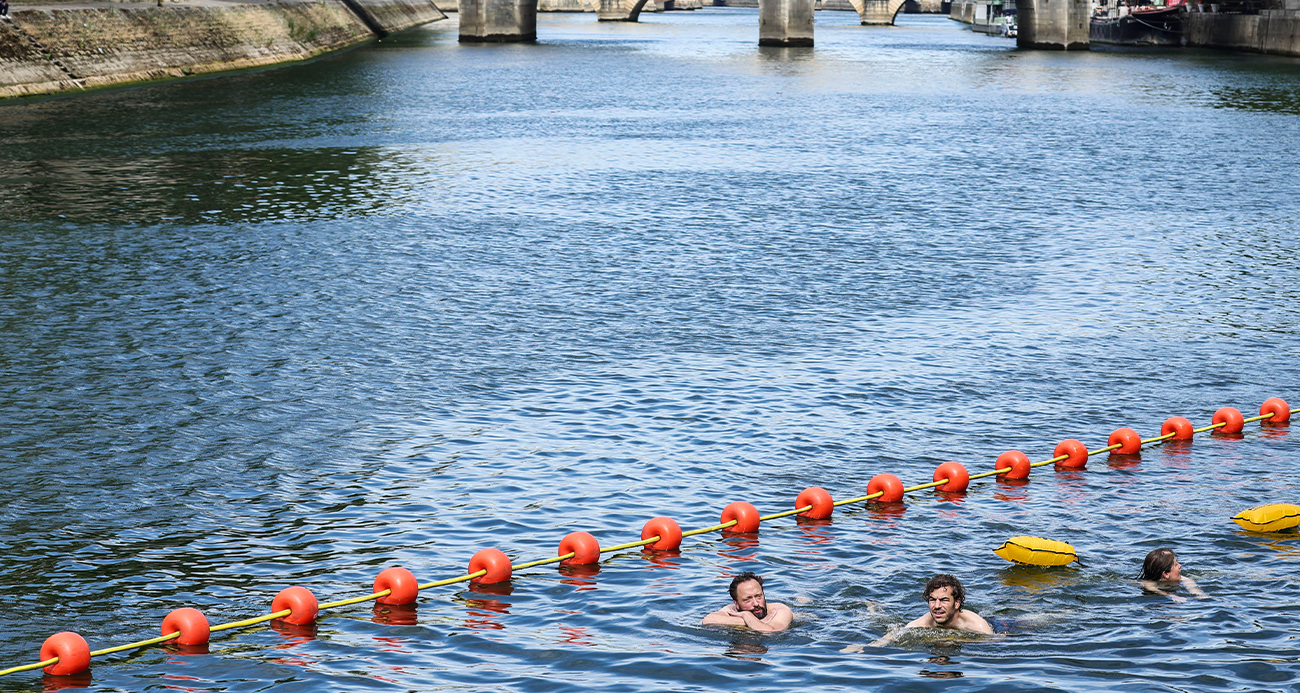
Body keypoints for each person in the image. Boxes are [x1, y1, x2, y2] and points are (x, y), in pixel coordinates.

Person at [864, 574, 993, 647]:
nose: (937, 606)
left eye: (944, 600)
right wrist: (865, 647)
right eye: (932, 600)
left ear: (957, 603)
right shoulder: (924, 623)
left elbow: (996, 644)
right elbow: (895, 634)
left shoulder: (976, 625)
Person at [702, 572, 793, 632]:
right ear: (736, 604)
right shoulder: (732, 609)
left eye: (759, 596)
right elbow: (708, 620)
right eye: (747, 600)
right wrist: (756, 620)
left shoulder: (780, 609)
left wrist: (747, 616)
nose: (756, 604)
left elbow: (773, 631)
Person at [1140, 548, 1207, 602]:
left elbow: (1189, 582)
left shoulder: (1179, 578)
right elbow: (1150, 587)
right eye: (1176, 565)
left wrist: (1199, 594)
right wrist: (1171, 596)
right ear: (1166, 574)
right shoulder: (1148, 583)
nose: (1180, 565)